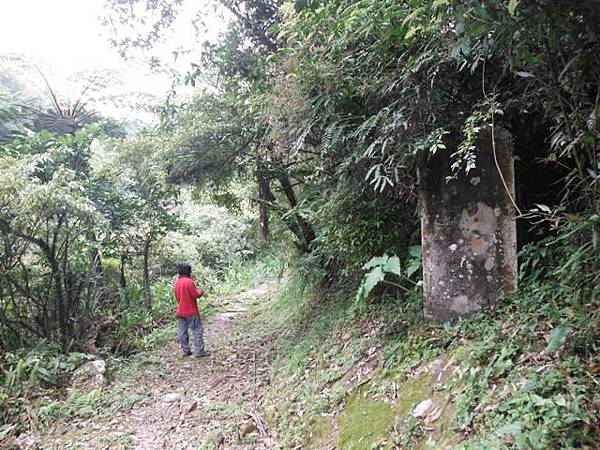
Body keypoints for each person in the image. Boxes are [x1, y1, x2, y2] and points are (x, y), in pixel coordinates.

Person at [173, 263, 208, 358]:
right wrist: (201, 292)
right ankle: (199, 351)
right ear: (188, 271)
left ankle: (185, 350)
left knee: (182, 332)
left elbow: (177, 297)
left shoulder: (177, 282)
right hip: (191, 311)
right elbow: (195, 294)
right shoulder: (189, 282)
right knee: (197, 330)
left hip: (180, 311)